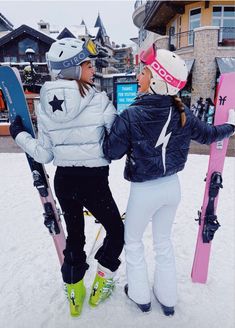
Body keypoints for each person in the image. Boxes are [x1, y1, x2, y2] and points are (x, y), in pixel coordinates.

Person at [103, 44, 235, 315]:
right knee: (163, 242)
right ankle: (168, 298)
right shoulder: (181, 111)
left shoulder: (131, 114)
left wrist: (111, 122)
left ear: (155, 80)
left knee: (134, 241)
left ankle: (140, 295)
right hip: (171, 189)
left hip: (144, 191)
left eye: (143, 72)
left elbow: (110, 151)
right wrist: (231, 126)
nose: (138, 76)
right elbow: (210, 134)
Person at [9, 38, 124, 317]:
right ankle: (101, 281)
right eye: (87, 64)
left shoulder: (45, 105)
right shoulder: (99, 100)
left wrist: (20, 135)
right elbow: (117, 141)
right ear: (73, 69)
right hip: (94, 181)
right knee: (117, 231)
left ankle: (74, 293)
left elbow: (45, 155)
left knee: (75, 237)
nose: (93, 69)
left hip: (65, 181)